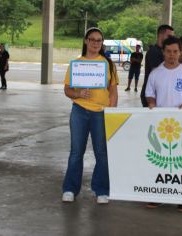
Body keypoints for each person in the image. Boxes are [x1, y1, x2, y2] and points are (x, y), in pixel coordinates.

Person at [62, 27, 119, 204]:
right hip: (79, 111)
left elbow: (113, 91)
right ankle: (70, 189)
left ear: (102, 43)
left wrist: (111, 111)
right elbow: (67, 89)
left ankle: (101, 189)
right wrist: (78, 94)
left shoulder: (108, 64)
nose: (96, 43)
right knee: (76, 152)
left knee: (101, 153)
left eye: (99, 40)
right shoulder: (76, 64)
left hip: (101, 113)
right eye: (92, 39)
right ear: (86, 41)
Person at [145, 36, 182, 212]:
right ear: (163, 52)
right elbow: (149, 93)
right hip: (160, 125)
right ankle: (158, 195)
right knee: (160, 161)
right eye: (168, 51)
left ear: (180, 53)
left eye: (175, 51)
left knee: (181, 162)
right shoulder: (155, 73)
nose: (171, 55)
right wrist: (152, 104)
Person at [140, 24, 174, 107]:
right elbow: (157, 73)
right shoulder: (154, 52)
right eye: (169, 36)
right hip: (151, 96)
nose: (171, 39)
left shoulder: (162, 51)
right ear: (160, 35)